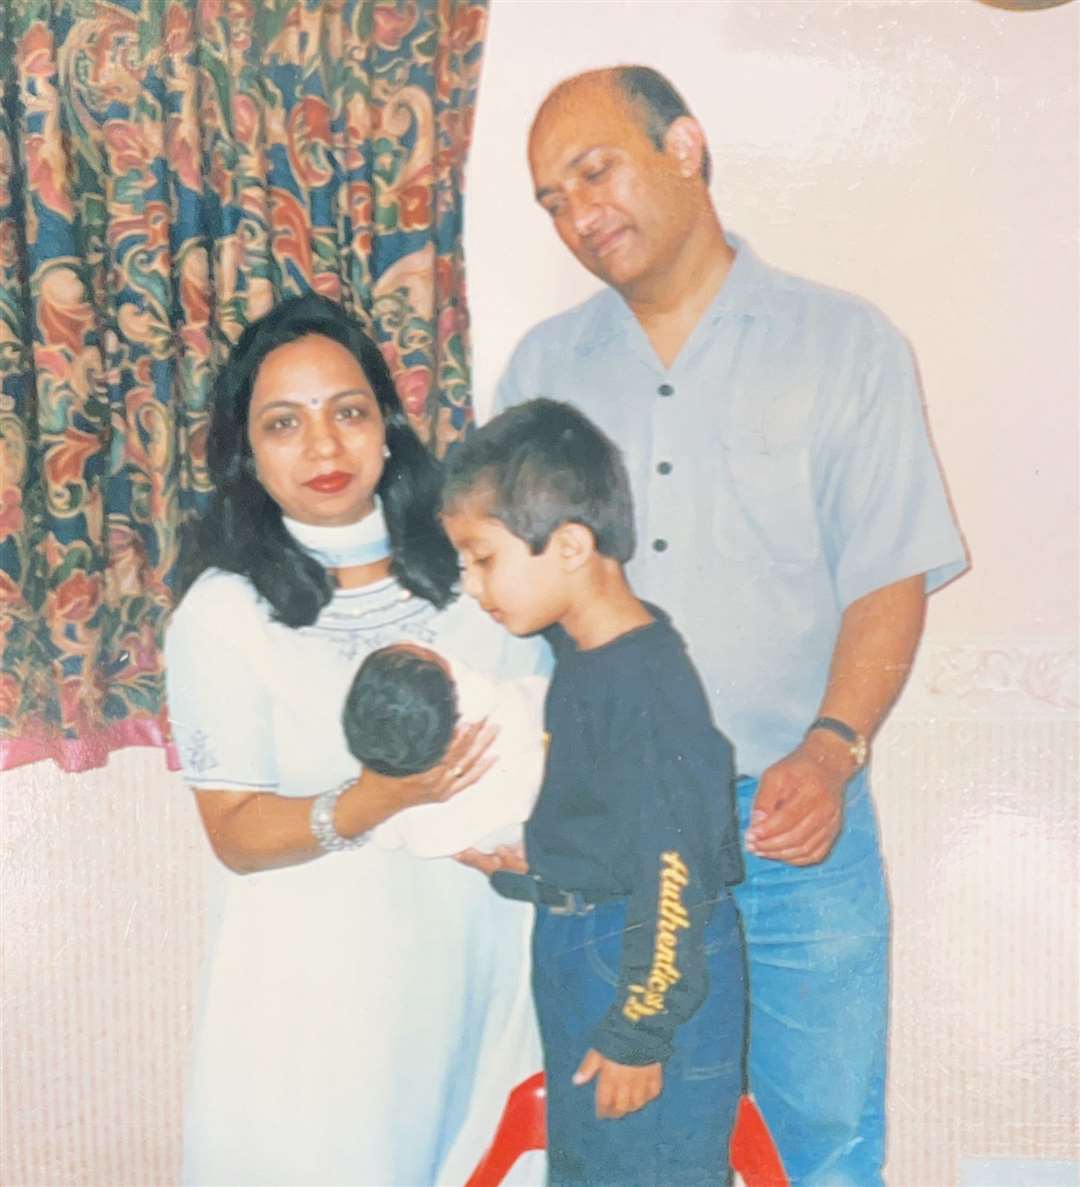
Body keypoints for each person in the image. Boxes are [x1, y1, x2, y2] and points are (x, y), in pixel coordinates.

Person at [493, 66, 968, 1186]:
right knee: (632, 1149)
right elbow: (504, 610)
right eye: (551, 199)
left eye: (593, 170)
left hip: (794, 819)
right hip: (612, 843)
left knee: (823, 1141)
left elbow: (889, 572)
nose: (576, 212)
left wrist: (832, 744)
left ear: (686, 147)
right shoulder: (540, 372)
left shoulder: (845, 344)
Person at [164, 294, 546, 1186]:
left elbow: (549, 737)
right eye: (284, 424)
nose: (325, 447)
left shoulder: (477, 576)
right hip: (311, 996)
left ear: (388, 425)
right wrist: (379, 800)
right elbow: (236, 833)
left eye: (347, 412)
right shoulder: (224, 613)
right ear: (247, 455)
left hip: (478, 970)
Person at [442, 398, 746, 1187]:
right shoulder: (588, 653)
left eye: (482, 557)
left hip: (639, 965)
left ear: (571, 545)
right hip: (599, 949)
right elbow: (610, 829)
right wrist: (524, 865)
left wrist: (640, 1031)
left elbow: (674, 867)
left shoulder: (642, 682)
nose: (472, 586)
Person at [343, 642, 548, 857]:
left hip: (463, 839)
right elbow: (534, 694)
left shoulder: (393, 762)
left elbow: (386, 837)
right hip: (528, 808)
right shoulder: (483, 703)